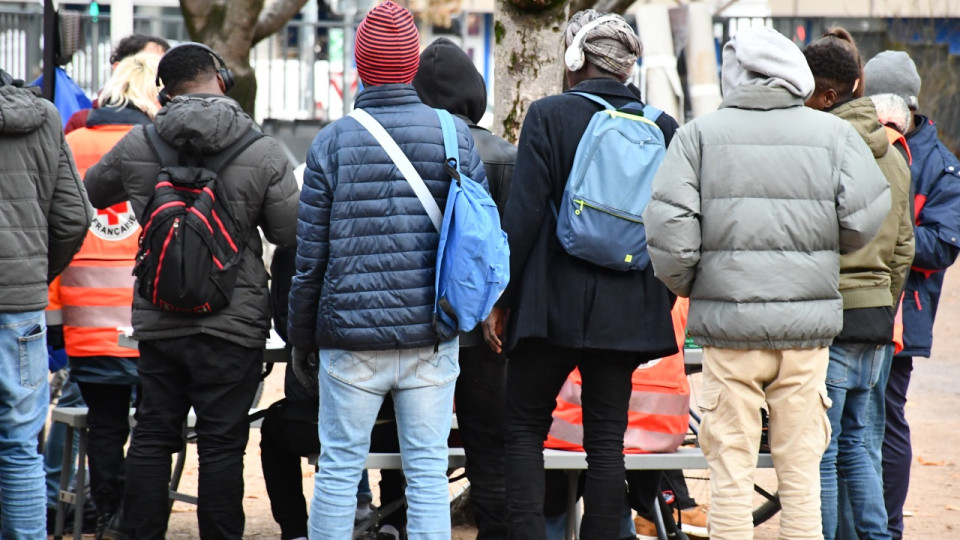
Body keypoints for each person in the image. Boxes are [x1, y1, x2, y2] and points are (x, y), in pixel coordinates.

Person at [642, 26, 891, 540]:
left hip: (729, 330)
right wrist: (819, 251)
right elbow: (867, 218)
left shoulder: (698, 136)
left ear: (738, 75)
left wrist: (695, 283)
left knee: (729, 471)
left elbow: (669, 235)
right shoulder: (834, 135)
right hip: (806, 333)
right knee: (800, 473)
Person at [83, 43, 300, 539]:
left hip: (159, 319)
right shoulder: (262, 150)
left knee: (155, 434)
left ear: (164, 92)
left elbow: (93, 191)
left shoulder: (140, 144)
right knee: (223, 443)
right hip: (233, 322)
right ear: (220, 79)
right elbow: (291, 234)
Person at [286, 3, 486, 538]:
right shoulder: (453, 136)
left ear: (361, 66)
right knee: (426, 475)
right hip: (431, 333)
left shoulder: (331, 141)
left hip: (349, 338)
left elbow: (310, 259)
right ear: (411, 65)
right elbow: (478, 242)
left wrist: (302, 339)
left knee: (338, 469)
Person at [483, 10, 680, 539]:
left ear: (575, 59)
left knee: (524, 427)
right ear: (625, 69)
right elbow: (672, 227)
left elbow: (521, 218)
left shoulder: (548, 116)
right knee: (606, 440)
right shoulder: (662, 127)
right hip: (626, 309)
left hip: (550, 303)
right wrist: (656, 300)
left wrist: (500, 299)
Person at [803, 28, 914, 540]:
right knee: (858, 445)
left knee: (824, 451)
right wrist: (883, 297)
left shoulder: (822, 145)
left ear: (827, 92)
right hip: (875, 317)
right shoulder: (895, 152)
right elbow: (904, 246)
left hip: (833, 316)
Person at [50, 51, 162, 537]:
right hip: (151, 319)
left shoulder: (71, 142)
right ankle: (135, 519)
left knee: (105, 426)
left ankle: (110, 514)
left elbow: (54, 226)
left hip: (84, 317)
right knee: (154, 430)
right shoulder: (158, 146)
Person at [411, 36, 515, 539]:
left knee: (416, 444)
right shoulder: (506, 155)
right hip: (488, 331)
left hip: (421, 327)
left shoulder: (409, 148)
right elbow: (520, 243)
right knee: (489, 445)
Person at [863, 49, 960, 540]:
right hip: (855, 304)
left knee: (886, 418)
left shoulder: (941, 167)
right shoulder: (859, 140)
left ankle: (889, 526)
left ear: (907, 106)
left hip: (903, 314)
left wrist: (887, 233)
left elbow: (943, 245)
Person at [0, 67, 91, 539]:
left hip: (22, 297)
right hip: (19, 307)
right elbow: (75, 215)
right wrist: (35, 272)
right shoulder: (44, 117)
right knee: (18, 444)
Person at [262, 246, 408, 540]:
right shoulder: (394, 248)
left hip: (315, 423)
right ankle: (393, 523)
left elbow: (286, 324)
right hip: (390, 428)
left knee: (273, 428)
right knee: (400, 408)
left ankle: (294, 532)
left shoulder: (293, 251)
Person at [64, 34, 170, 134]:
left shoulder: (170, 120)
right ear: (119, 67)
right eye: (145, 63)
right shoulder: (83, 120)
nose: (156, 72)